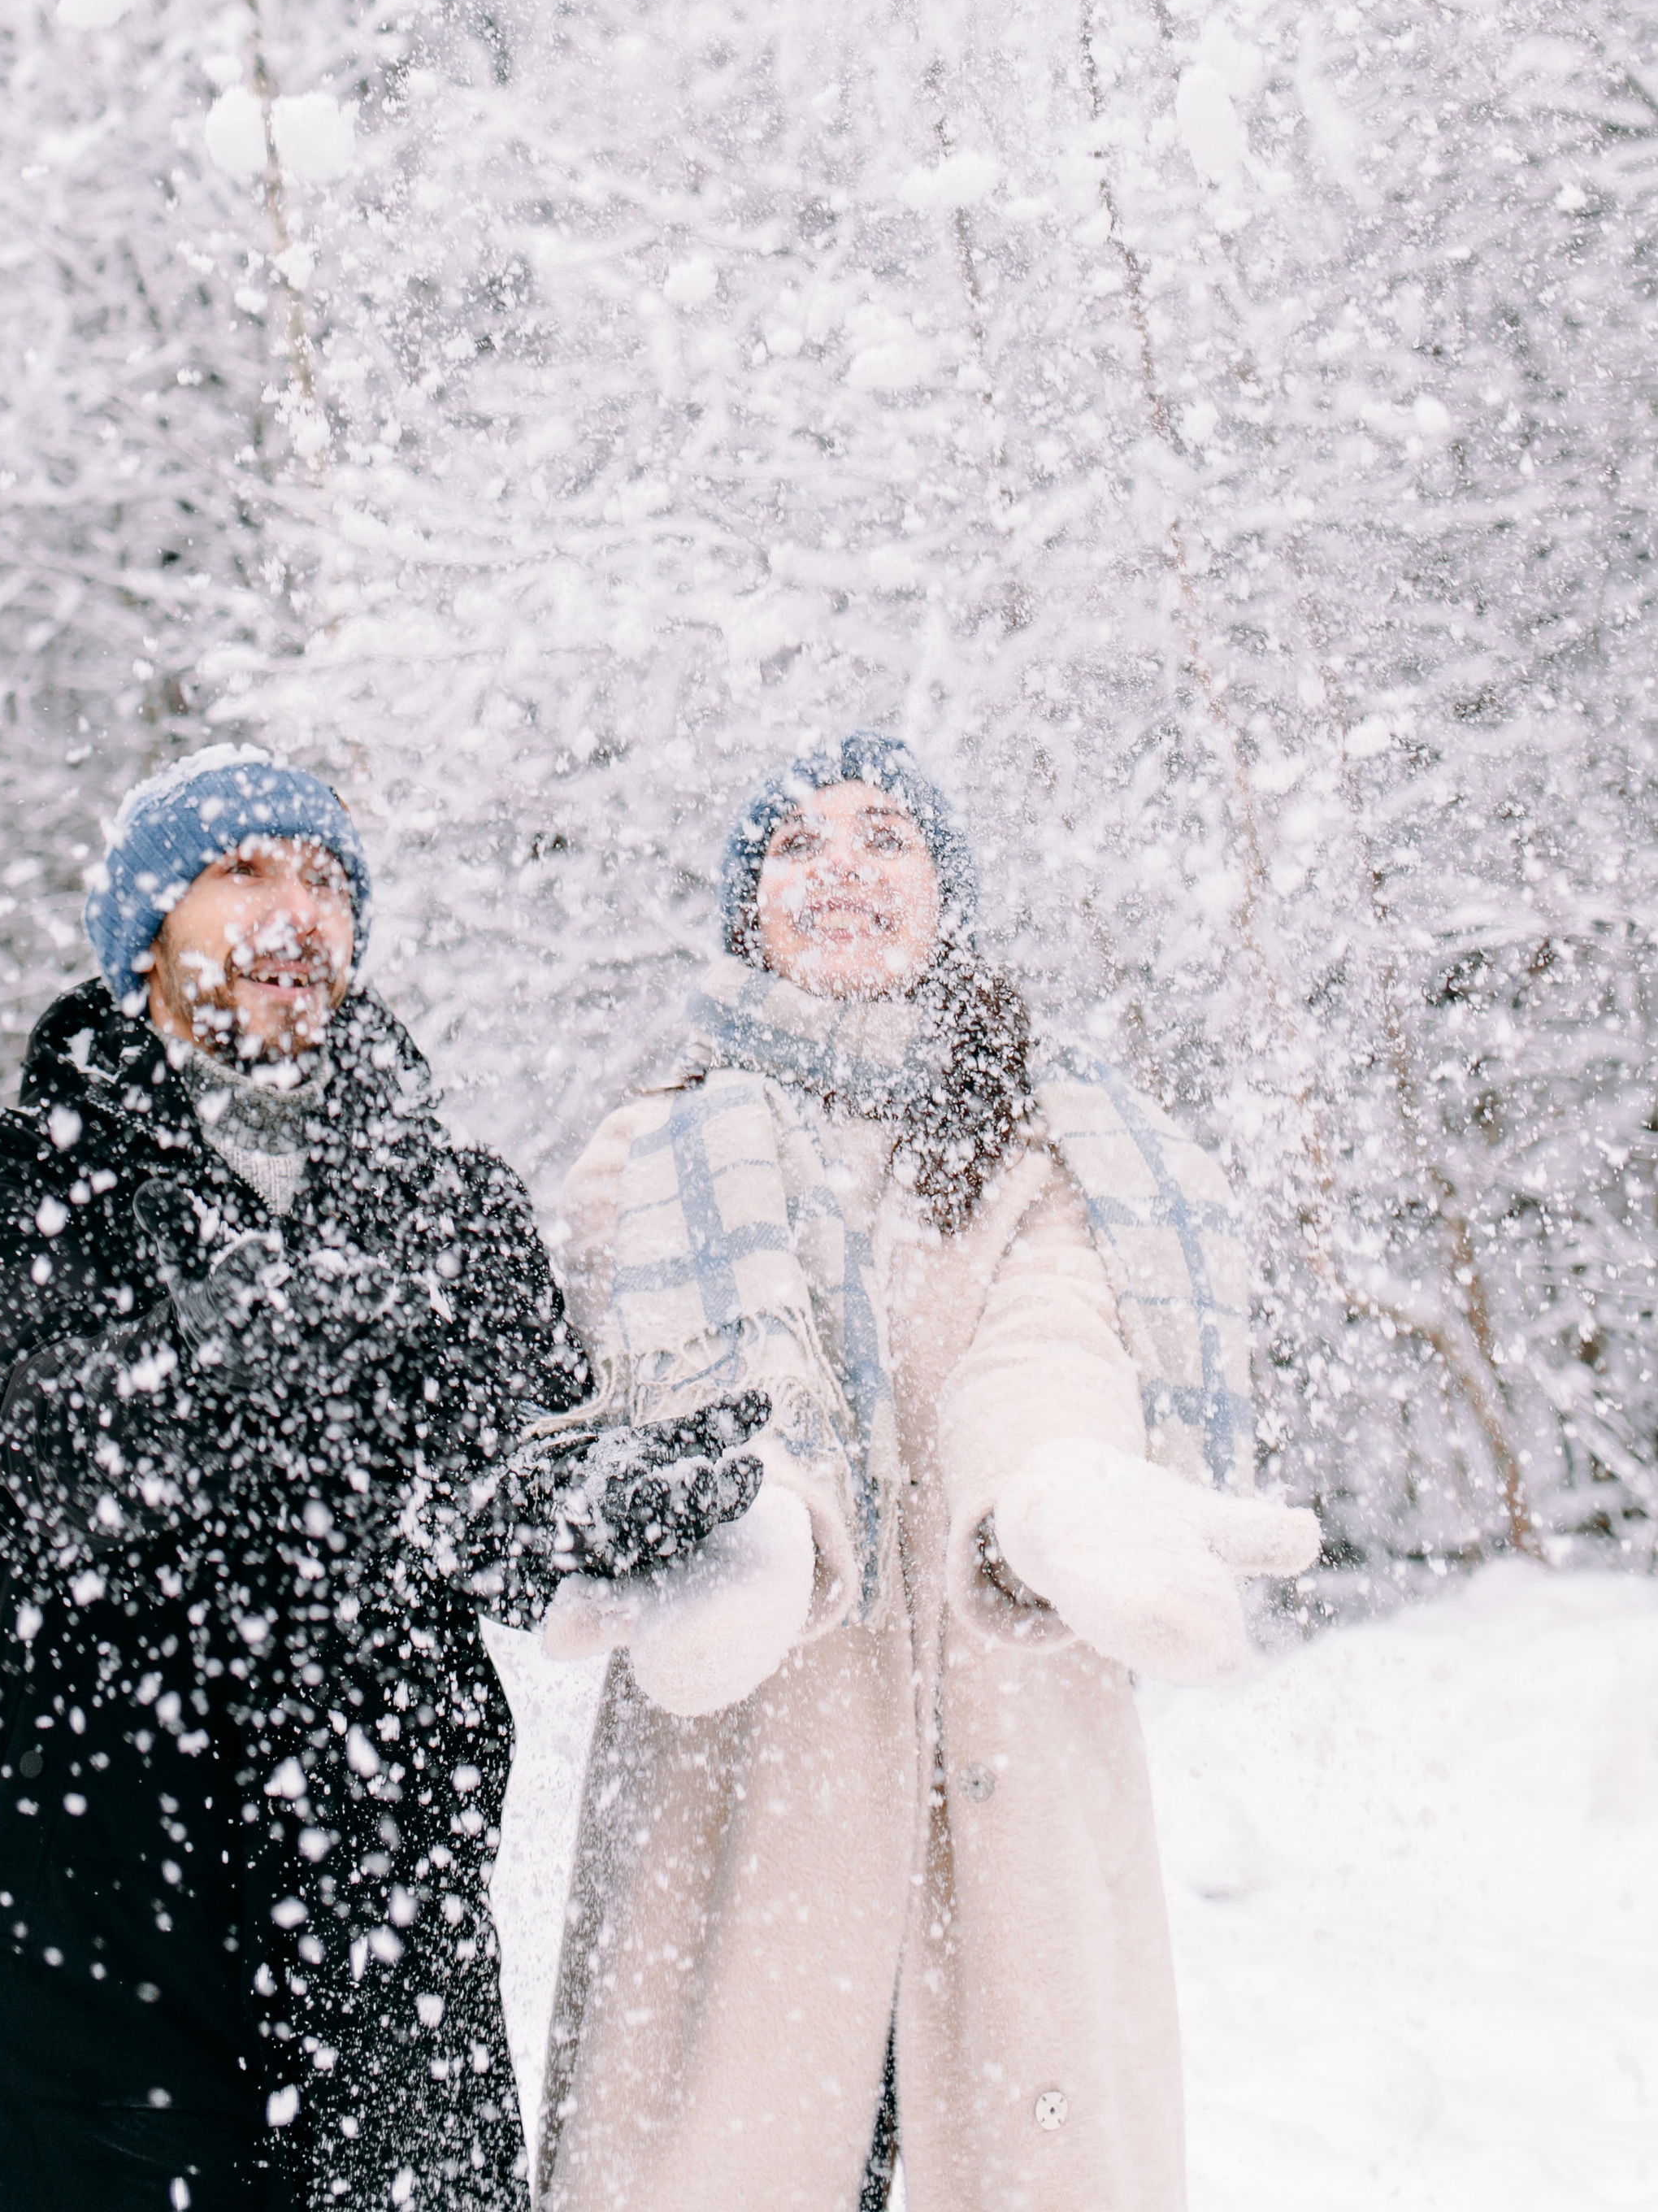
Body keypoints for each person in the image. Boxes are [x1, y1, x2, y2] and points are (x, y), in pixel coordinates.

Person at [0, 744, 758, 2212]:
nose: (298, 910)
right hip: (84, 1943)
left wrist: (595, 1509)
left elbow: (492, 1503)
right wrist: (251, 1338)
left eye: (328, 880)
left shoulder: (448, 1200)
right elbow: (53, 1452)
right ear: (146, 928)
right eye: (244, 873)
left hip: (384, 1950)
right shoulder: (18, 1176)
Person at [532, 731, 1318, 2212]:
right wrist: (749, 1515)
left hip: (1001, 1780)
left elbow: (1051, 1347)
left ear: (946, 897)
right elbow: (649, 1401)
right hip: (748, 1788)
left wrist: (1055, 1492)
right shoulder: (649, 1155)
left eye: (884, 836)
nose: (842, 868)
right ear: (749, 913)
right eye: (797, 845)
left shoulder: (1052, 1154)